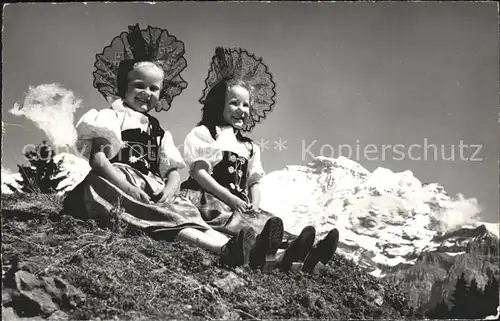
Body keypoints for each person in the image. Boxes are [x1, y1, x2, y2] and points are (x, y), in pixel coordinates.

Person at [66, 24, 266, 267]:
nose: (146, 93)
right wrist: (126, 187)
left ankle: (248, 249)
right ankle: (221, 248)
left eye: (154, 88)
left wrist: (170, 189)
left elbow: (172, 171)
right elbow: (98, 160)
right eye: (140, 86)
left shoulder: (160, 132)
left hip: (152, 184)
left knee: (183, 212)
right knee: (158, 218)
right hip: (117, 177)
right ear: (123, 87)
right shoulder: (111, 117)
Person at [180, 47, 339, 272]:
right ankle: (283, 254)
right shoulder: (206, 133)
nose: (241, 110)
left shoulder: (249, 147)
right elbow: (199, 173)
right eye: (234, 103)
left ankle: (302, 253)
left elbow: (254, 181)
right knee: (234, 222)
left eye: (246, 105)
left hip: (238, 203)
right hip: (208, 199)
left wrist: (254, 202)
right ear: (219, 105)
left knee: (266, 221)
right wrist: (229, 198)